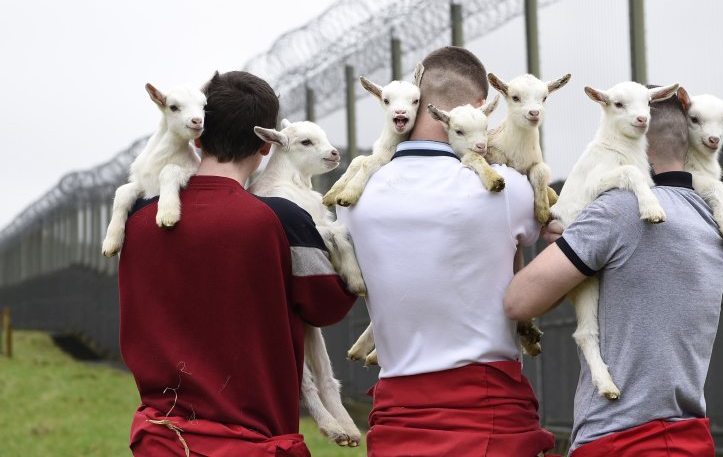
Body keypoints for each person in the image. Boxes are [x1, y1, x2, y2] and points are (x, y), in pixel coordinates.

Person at [118, 71, 356, 457]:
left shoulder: (139, 219)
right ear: (265, 146)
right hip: (251, 442)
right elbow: (328, 305)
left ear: (198, 134)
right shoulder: (281, 218)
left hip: (161, 440)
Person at [338, 46, 556, 456]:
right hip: (484, 413)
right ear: (480, 108)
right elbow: (547, 232)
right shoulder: (508, 189)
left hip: (395, 417)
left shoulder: (357, 197)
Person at [504, 92, 723, 456]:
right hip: (690, 437)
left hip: (620, 439)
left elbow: (519, 302)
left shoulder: (620, 209)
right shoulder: (711, 220)